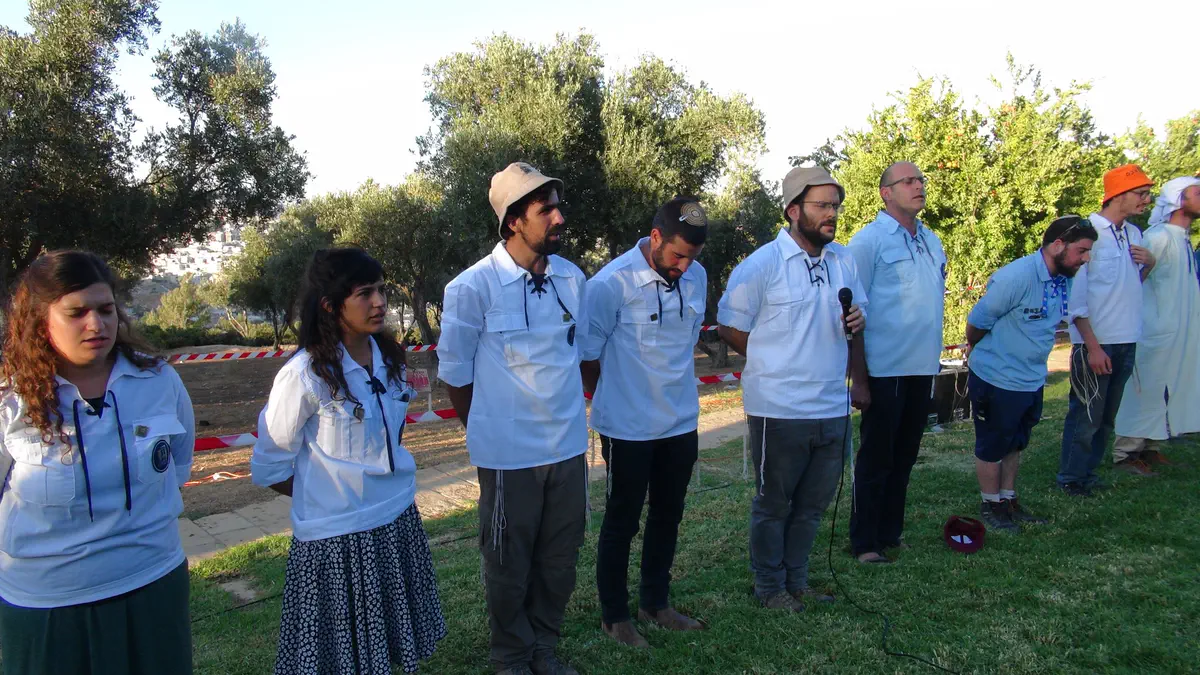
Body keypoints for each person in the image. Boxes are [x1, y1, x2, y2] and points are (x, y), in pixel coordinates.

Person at [252, 248, 446, 675]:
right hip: (336, 540)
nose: (379, 302)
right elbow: (269, 466)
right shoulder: (304, 375)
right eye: (364, 293)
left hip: (396, 518)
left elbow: (390, 434)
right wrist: (327, 492)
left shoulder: (390, 359)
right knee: (341, 657)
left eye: (381, 290)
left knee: (386, 648)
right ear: (330, 304)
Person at [0, 250, 195, 675]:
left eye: (106, 310)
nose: (97, 324)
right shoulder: (10, 400)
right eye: (77, 313)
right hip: (48, 607)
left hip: (153, 586)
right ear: (39, 321)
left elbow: (177, 470)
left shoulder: (159, 380)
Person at [438, 162, 588, 675]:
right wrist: (489, 431)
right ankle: (512, 658)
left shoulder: (572, 279)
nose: (559, 218)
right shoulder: (472, 288)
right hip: (508, 457)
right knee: (506, 563)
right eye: (546, 210)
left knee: (560, 559)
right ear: (514, 221)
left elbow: (578, 355)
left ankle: (544, 649)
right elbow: (457, 377)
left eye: (558, 207)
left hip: (568, 450)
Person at [717, 166, 867, 612]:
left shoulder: (844, 261)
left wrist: (857, 332)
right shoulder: (762, 264)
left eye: (835, 205)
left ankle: (797, 580)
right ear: (793, 210)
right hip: (779, 409)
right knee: (774, 504)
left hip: (832, 406)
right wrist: (772, 359)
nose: (832, 214)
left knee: (813, 505)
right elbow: (729, 326)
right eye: (822, 205)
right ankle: (769, 587)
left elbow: (858, 322)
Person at [581, 197, 708, 647]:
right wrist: (622, 396)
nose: (684, 266)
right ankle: (615, 616)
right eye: (677, 255)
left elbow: (685, 343)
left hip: (681, 423)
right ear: (655, 237)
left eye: (693, 257)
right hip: (627, 429)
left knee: (668, 515)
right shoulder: (609, 284)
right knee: (623, 521)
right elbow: (588, 357)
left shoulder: (696, 275)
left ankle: (656, 602)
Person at [965, 216, 1096, 531]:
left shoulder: (1063, 278)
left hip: (1031, 378)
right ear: (1058, 245)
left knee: (1015, 442)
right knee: (992, 444)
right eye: (1081, 251)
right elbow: (977, 323)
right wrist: (980, 351)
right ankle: (991, 505)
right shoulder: (1016, 277)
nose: (1086, 259)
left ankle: (1008, 499)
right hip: (997, 377)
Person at [846, 162, 946, 563]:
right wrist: (860, 378)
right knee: (876, 458)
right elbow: (852, 312)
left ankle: (890, 532)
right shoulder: (868, 241)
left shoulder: (931, 239)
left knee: (904, 456)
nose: (918, 185)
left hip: (922, 366)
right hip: (886, 368)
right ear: (886, 192)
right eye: (908, 181)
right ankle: (864, 541)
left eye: (920, 180)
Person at [1057, 164, 1156, 492]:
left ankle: (1088, 474)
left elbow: (1130, 286)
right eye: (1141, 193)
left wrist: (1149, 265)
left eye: (1148, 193)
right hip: (1095, 343)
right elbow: (1075, 300)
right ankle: (1071, 478)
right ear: (1117, 194)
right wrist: (1093, 347)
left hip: (1127, 338)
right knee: (1086, 416)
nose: (1146, 200)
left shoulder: (1134, 234)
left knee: (1107, 418)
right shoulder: (1086, 234)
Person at [1112, 177, 1200, 462]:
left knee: (1167, 387)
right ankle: (1126, 451)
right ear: (1178, 199)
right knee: (1145, 389)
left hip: (1177, 331)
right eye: (1197, 193)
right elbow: (1132, 280)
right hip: (1154, 331)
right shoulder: (1158, 236)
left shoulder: (1181, 238)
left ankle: (1150, 446)